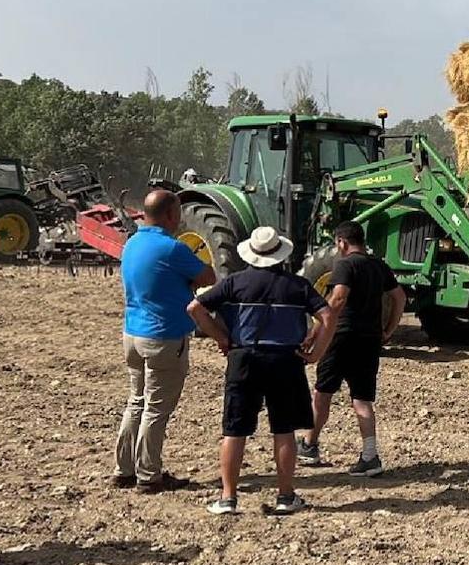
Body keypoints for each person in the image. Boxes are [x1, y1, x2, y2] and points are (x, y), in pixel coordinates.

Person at [188, 226, 332, 515]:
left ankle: (228, 497)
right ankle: (285, 495)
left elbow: (195, 308)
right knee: (284, 430)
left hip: (244, 358)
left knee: (234, 430)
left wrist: (221, 337)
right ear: (280, 254)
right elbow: (327, 316)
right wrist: (315, 352)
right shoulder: (297, 285)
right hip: (285, 360)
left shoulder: (234, 283)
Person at [112, 189, 216, 494]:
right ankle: (149, 475)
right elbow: (208, 276)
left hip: (132, 333)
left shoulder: (131, 244)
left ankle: (124, 469)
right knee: (156, 409)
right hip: (164, 336)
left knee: (136, 402)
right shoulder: (173, 249)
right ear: (171, 215)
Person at [297, 221, 405, 476]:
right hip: (370, 339)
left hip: (342, 337)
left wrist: (315, 332)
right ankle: (370, 456)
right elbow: (399, 297)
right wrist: (388, 329)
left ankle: (310, 445)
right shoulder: (379, 266)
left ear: (342, 243)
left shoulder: (345, 264)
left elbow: (338, 298)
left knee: (323, 393)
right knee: (362, 399)